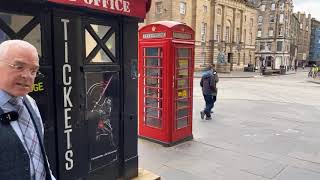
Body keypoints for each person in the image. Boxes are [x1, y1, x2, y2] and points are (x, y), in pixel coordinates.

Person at [0, 40, 55, 180]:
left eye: (33, 70)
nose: (27, 76)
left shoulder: (30, 102)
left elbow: (38, 154)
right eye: (18, 66)